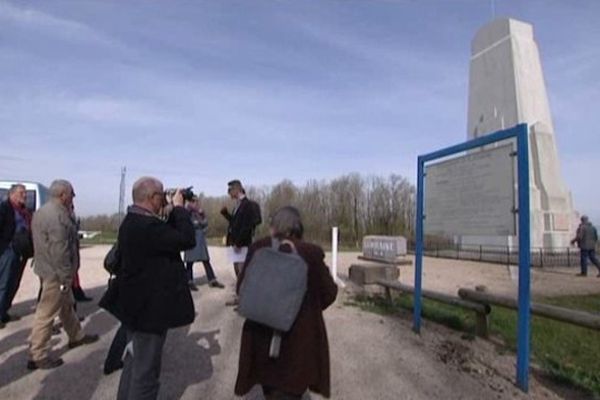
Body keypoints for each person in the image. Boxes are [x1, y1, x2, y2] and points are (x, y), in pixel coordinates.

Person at [235, 206, 338, 400]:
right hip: (298, 341)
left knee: (270, 388)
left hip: (261, 336)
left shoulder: (258, 248)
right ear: (298, 227)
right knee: (291, 389)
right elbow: (329, 293)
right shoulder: (311, 253)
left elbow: (242, 288)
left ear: (274, 226)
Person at [115, 177, 196, 400]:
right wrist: (179, 209)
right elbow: (187, 239)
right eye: (161, 195)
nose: (164, 199)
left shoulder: (133, 220)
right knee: (146, 375)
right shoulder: (147, 226)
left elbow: (165, 239)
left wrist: (169, 211)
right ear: (151, 197)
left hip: (136, 307)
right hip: (149, 312)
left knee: (134, 364)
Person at [28, 180, 98, 370]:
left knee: (66, 306)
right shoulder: (58, 216)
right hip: (56, 274)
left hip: (47, 269)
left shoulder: (42, 212)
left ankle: (77, 336)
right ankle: (38, 354)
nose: (73, 197)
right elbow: (60, 250)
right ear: (63, 195)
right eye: (71, 194)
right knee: (46, 313)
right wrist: (66, 277)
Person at [0, 184, 33, 327]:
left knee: (14, 283)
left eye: (25, 193)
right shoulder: (4, 208)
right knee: (4, 283)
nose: (25, 195)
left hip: (22, 251)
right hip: (8, 251)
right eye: (21, 192)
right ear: (12, 194)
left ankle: (4, 311)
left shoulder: (25, 211)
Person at [220, 179, 261, 278]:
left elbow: (246, 226)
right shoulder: (238, 205)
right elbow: (235, 223)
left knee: (243, 272)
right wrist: (226, 214)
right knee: (238, 271)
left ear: (237, 189)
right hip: (235, 243)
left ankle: (245, 292)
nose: (228, 192)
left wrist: (238, 243)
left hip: (242, 244)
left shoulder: (247, 205)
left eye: (230, 190)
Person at [184, 196, 224, 290]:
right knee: (190, 261)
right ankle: (189, 281)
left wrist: (202, 218)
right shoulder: (187, 213)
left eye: (196, 202)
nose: (196, 204)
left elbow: (205, 223)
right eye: (193, 202)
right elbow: (188, 224)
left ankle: (212, 279)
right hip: (191, 238)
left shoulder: (200, 212)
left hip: (200, 239)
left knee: (205, 260)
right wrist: (197, 224)